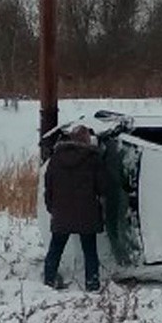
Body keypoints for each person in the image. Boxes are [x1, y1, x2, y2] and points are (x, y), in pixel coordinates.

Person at [42, 124, 106, 290]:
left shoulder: (56, 158)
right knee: (90, 251)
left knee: (55, 249)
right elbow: (102, 187)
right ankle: (92, 284)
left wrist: (52, 208)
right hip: (87, 213)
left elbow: (48, 186)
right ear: (86, 140)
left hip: (61, 212)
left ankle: (48, 281)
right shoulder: (93, 159)